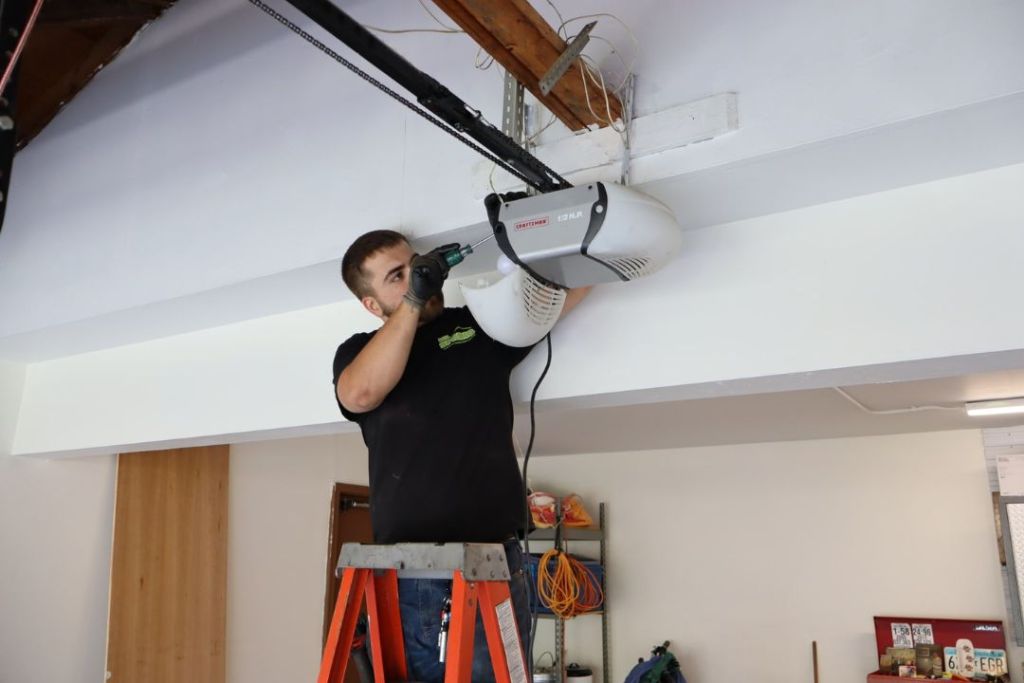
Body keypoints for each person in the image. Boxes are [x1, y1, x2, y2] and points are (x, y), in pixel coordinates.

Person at [332, 229, 590, 683]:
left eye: (416, 264)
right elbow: (359, 393)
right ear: (373, 305)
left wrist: (555, 234)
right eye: (398, 276)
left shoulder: (476, 326)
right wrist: (414, 300)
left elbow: (563, 294)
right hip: (415, 571)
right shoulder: (360, 351)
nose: (418, 277)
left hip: (500, 559)